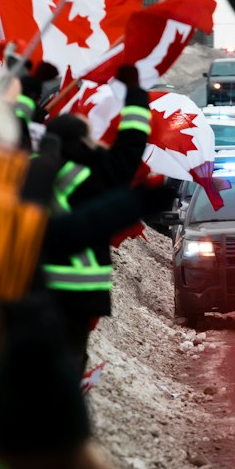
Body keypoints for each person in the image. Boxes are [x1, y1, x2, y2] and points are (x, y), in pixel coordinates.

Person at [42, 64, 153, 373]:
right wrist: (135, 94)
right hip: (81, 291)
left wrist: (28, 89)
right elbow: (131, 144)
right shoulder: (99, 174)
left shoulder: (28, 171)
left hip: (34, 286)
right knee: (71, 362)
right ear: (83, 140)